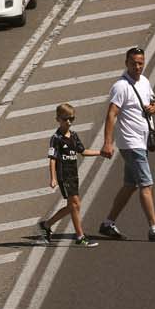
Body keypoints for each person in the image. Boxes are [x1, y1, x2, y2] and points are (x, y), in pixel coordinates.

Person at [98, 47, 155, 242]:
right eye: (134, 63)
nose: (137, 66)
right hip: (131, 143)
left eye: (141, 63)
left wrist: (154, 107)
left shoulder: (144, 81)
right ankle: (154, 228)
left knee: (130, 185)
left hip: (141, 141)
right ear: (126, 63)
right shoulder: (121, 86)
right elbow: (111, 114)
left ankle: (108, 224)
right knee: (146, 184)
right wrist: (107, 143)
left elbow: (152, 99)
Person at [37, 103, 101, 247]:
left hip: (73, 174)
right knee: (75, 204)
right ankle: (80, 236)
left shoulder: (74, 136)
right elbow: (52, 159)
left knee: (73, 206)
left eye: (72, 118)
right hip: (64, 175)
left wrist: (101, 153)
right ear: (58, 119)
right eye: (66, 119)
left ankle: (46, 225)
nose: (69, 122)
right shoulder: (56, 138)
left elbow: (83, 151)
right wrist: (53, 178)